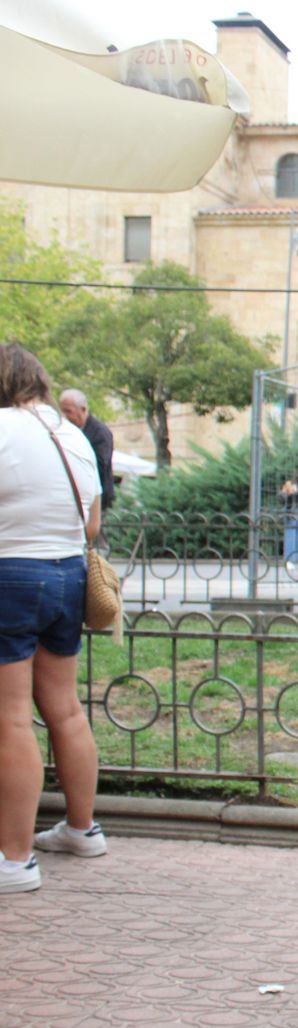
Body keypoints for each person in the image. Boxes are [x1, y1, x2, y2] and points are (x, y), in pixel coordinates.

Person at [0, 344, 107, 894]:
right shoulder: (71, 434)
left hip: (11, 574)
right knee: (63, 708)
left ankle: (14, 860)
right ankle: (83, 829)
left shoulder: (3, 429)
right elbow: (91, 524)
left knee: (11, 718)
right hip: (67, 574)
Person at [58, 389, 114, 512]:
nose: (64, 416)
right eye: (62, 411)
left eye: (68, 412)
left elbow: (99, 468)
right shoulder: (66, 431)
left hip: (97, 502)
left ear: (83, 410)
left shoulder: (100, 433)